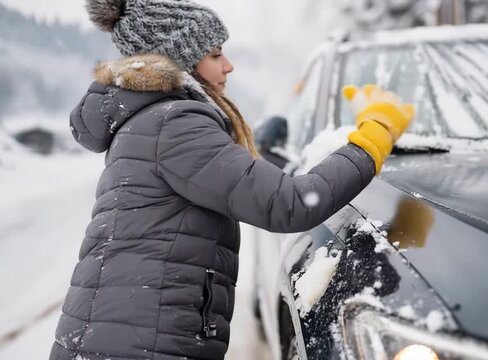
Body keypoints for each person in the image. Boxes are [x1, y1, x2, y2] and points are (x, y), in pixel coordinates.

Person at [49, 0, 415, 359]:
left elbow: (240, 177)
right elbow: (289, 204)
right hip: (139, 344)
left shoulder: (152, 121)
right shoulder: (174, 125)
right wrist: (373, 139)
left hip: (124, 336)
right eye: (215, 54)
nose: (229, 65)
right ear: (180, 59)